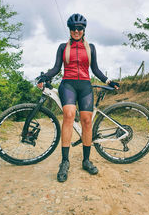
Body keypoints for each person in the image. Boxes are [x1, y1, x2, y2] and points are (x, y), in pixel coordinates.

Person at [37, 13, 119, 182]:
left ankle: (86, 160)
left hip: (85, 86)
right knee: (68, 115)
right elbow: (56, 69)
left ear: (83, 30)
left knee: (87, 121)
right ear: (70, 30)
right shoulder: (62, 47)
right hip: (68, 84)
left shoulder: (91, 48)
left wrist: (109, 81)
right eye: (73, 28)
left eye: (79, 28)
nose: (76, 31)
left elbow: (95, 69)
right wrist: (45, 76)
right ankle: (65, 162)